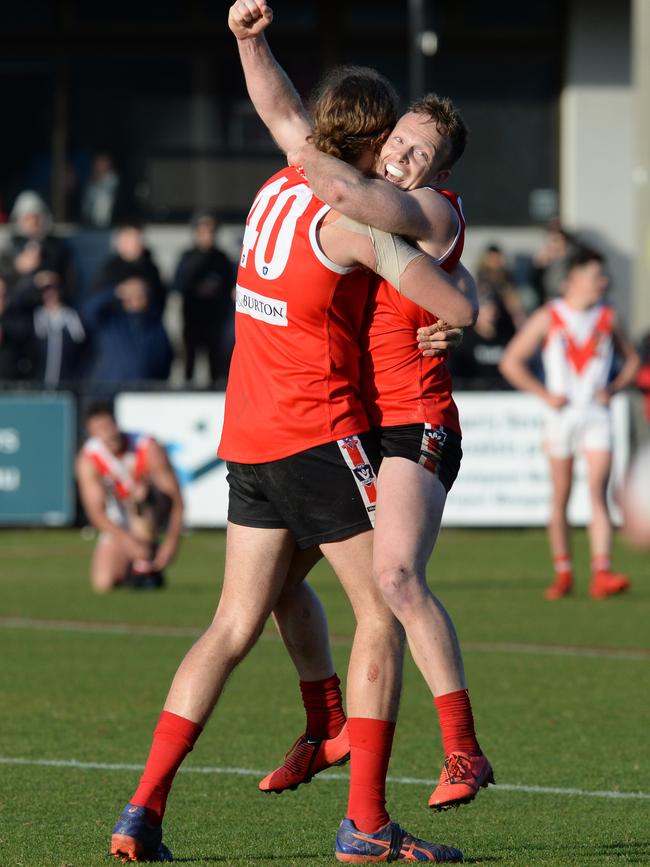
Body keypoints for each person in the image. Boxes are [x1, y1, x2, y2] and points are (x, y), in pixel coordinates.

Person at [107, 35, 474, 864]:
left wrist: (249, 39)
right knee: (382, 611)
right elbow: (448, 292)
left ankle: (142, 811)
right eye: (393, 141)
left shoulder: (279, 182)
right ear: (373, 141)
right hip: (318, 435)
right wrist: (466, 304)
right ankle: (367, 825)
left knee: (232, 622)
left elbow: (277, 108)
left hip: (247, 439)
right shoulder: (351, 222)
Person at [230, 0, 492, 820]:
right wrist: (251, 41)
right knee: (273, 589)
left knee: (395, 577)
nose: (406, 154)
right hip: (353, 427)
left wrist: (307, 154)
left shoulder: (429, 210)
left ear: (440, 167)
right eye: (401, 139)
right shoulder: (352, 191)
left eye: (423, 150)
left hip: (416, 422)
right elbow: (280, 112)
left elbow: (356, 194)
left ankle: (464, 749)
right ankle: (325, 721)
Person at [499, 247, 640, 599]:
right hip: (560, 416)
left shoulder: (608, 316)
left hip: (596, 414)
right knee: (561, 494)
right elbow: (511, 361)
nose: (602, 282)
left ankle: (602, 571)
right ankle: (563, 572)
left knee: (597, 491)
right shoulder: (550, 315)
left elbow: (633, 360)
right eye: (596, 276)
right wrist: (545, 395)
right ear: (573, 280)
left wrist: (614, 388)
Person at [76, 401, 184, 593]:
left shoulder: (146, 446)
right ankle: (138, 564)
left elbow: (175, 497)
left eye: (109, 425)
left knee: (140, 495)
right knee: (103, 583)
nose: (108, 433)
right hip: (118, 521)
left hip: (149, 511)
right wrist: (127, 542)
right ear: (92, 434)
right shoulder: (88, 459)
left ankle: (144, 564)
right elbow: (96, 513)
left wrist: (172, 542)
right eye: (100, 429)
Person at [172, 212, 235, 384]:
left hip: (214, 323)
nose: (207, 235)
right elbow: (177, 285)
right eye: (203, 231)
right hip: (192, 321)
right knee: (188, 365)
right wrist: (197, 288)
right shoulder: (187, 258)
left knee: (216, 365)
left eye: (211, 231)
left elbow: (231, 288)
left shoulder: (222, 259)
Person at [83, 277, 173, 389]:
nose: (136, 298)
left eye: (141, 294)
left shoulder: (155, 326)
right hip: (109, 392)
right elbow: (88, 312)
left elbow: (165, 359)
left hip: (141, 395)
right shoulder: (111, 321)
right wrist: (115, 291)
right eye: (132, 293)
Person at [0, 190, 75, 300]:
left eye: (36, 217)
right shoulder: (11, 246)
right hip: (18, 306)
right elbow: (4, 282)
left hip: (51, 306)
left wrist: (55, 284)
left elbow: (71, 280)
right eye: (28, 218)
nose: (33, 222)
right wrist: (17, 268)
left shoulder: (56, 246)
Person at [92, 222, 167, 317]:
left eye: (138, 240)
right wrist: (120, 291)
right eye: (130, 240)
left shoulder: (151, 268)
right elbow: (96, 301)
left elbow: (160, 299)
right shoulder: (109, 269)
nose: (135, 244)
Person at [31, 270, 87, 387]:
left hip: (68, 383)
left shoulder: (71, 316)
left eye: (54, 289)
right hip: (39, 383)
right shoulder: (35, 316)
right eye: (45, 290)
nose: (50, 294)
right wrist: (33, 282)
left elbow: (82, 346)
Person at [81, 152, 122, 229]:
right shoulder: (88, 185)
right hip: (90, 229)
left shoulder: (117, 184)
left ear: (109, 164)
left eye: (103, 162)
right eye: (97, 162)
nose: (99, 165)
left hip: (112, 229)